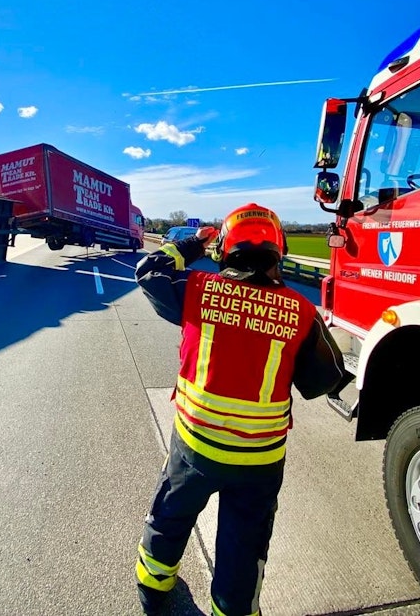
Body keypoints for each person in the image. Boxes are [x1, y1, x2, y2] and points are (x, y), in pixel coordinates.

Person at [133, 202, 349, 616]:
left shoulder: (197, 289)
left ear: (225, 251)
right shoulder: (302, 312)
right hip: (260, 459)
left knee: (172, 513)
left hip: (196, 445)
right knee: (244, 544)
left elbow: (148, 271)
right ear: (279, 251)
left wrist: (193, 244)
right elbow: (326, 378)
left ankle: (153, 586)